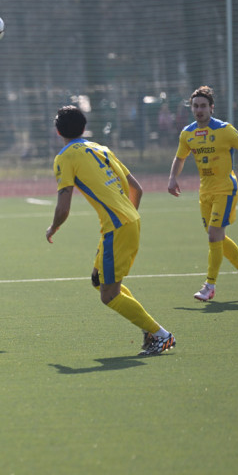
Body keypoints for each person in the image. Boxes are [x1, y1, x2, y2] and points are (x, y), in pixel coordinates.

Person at [46, 105, 175, 356]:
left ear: (57, 131)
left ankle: (160, 334)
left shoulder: (65, 157)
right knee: (99, 281)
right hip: (126, 223)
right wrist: (128, 218)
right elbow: (137, 189)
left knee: (108, 295)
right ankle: (150, 331)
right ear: (84, 128)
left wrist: (53, 227)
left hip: (118, 227)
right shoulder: (101, 148)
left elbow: (63, 207)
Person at [166, 86, 238, 301]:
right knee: (217, 237)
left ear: (211, 108)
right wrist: (172, 177)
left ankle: (210, 286)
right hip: (205, 191)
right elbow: (180, 158)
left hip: (225, 189)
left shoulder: (224, 130)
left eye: (203, 106)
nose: (199, 110)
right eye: (195, 106)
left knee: (213, 235)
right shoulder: (188, 133)